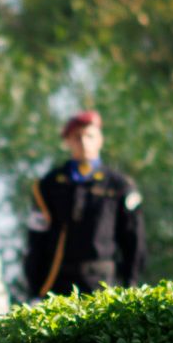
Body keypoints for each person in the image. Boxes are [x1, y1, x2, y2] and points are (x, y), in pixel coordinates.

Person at [24, 110, 147, 297]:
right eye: (77, 137)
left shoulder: (119, 186)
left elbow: (134, 239)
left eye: (90, 136)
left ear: (100, 140)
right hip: (58, 282)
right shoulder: (49, 185)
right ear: (67, 141)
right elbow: (36, 239)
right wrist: (35, 289)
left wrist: (131, 283)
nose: (83, 142)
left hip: (102, 282)